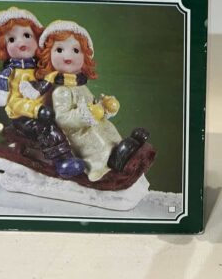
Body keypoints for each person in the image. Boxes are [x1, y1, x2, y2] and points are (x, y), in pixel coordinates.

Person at [36, 20, 144, 182]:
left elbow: (94, 105)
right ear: (48, 56)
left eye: (75, 50)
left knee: (109, 133)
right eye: (59, 50)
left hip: (97, 125)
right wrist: (87, 114)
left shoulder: (81, 86)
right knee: (98, 145)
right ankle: (109, 162)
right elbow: (62, 119)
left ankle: (123, 150)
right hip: (80, 133)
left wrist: (105, 107)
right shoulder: (61, 91)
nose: (68, 56)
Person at [0, 7, 84, 178]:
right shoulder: (10, 74)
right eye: (12, 39)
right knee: (46, 127)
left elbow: (56, 77)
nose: (21, 42)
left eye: (27, 35)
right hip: (24, 117)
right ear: (4, 47)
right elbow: (14, 102)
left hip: (47, 110)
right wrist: (36, 110)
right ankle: (63, 160)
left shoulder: (41, 67)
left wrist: (76, 79)